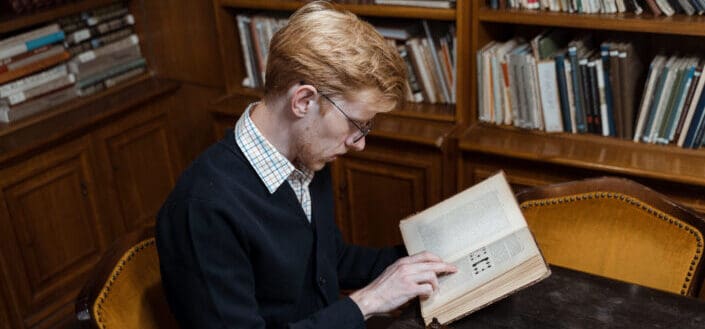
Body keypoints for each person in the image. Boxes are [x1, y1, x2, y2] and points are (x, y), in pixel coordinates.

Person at [155, 1, 456, 328]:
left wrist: (420, 259)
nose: (360, 143)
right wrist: (368, 301)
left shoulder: (305, 158)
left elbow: (326, 264)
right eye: (355, 124)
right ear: (303, 101)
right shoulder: (202, 210)